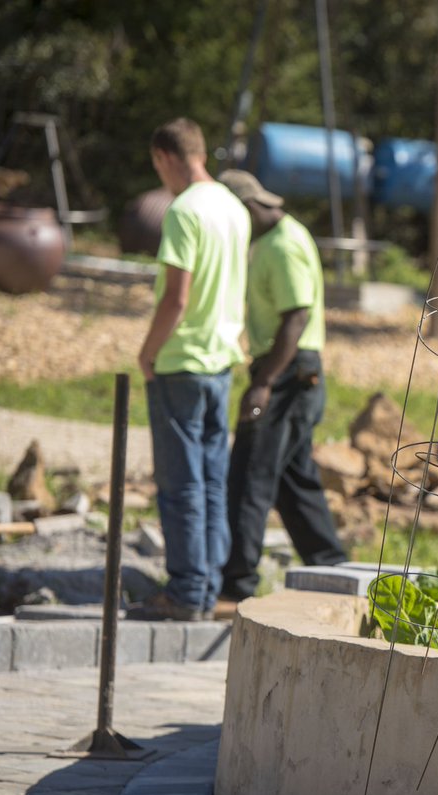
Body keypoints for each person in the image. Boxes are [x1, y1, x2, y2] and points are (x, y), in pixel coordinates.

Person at [213, 170, 348, 615]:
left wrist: (263, 382)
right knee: (293, 483)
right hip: (290, 370)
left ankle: (236, 586)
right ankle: (332, 570)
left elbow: (296, 318)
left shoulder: (284, 244)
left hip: (288, 372)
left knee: (249, 476)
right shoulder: (275, 238)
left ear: (245, 208)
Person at [132, 118, 250, 621]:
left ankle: (185, 592)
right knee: (211, 479)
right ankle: (205, 589)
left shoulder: (183, 211)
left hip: (181, 361)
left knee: (180, 481)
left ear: (164, 156)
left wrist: (148, 352)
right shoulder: (234, 207)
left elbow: (176, 298)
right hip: (221, 360)